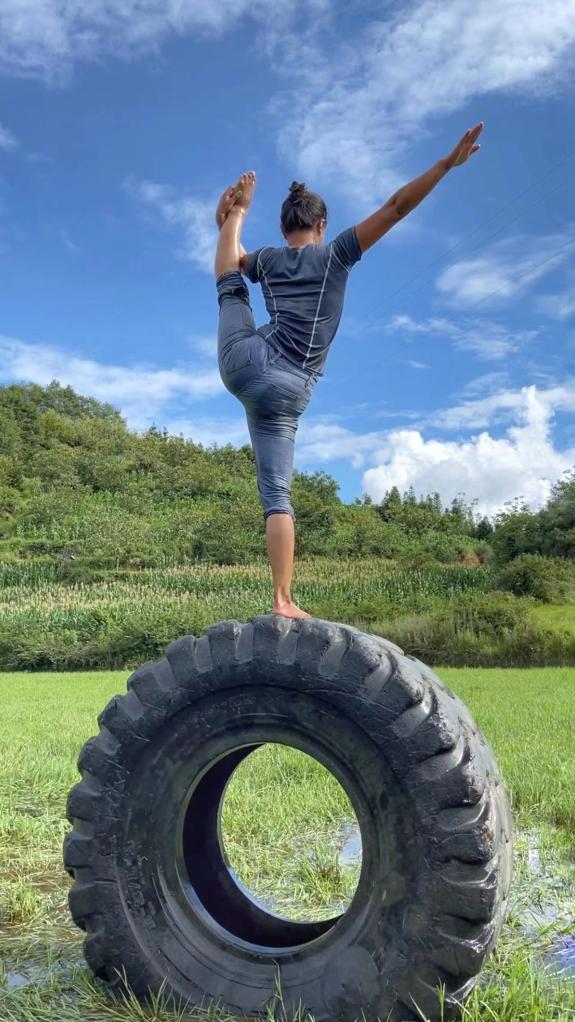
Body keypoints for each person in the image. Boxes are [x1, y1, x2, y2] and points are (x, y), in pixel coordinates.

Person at [214, 122, 484, 619]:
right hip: (291, 391)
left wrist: (232, 219)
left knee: (231, 288)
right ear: (321, 226)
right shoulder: (335, 254)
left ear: (284, 229)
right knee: (277, 495)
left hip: (244, 362)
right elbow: (396, 207)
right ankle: (283, 600)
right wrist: (446, 165)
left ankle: (236, 217)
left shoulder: (268, 259)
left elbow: (231, 264)